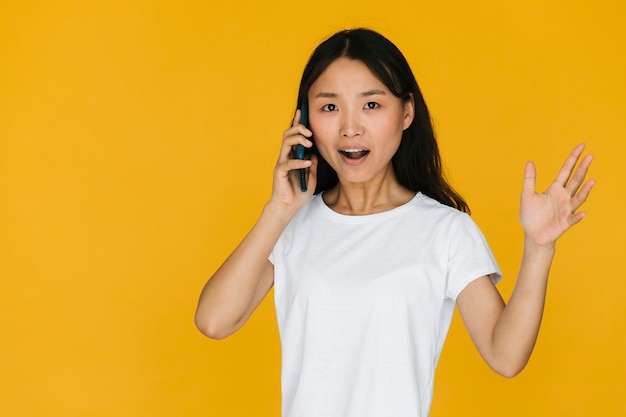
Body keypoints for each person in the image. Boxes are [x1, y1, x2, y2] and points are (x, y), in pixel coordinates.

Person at [195, 28, 594, 417]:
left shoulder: (446, 232)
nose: (350, 127)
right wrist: (279, 209)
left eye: (371, 104)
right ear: (305, 121)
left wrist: (539, 248)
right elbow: (213, 321)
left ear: (406, 113)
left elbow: (505, 356)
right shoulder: (291, 226)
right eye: (329, 107)